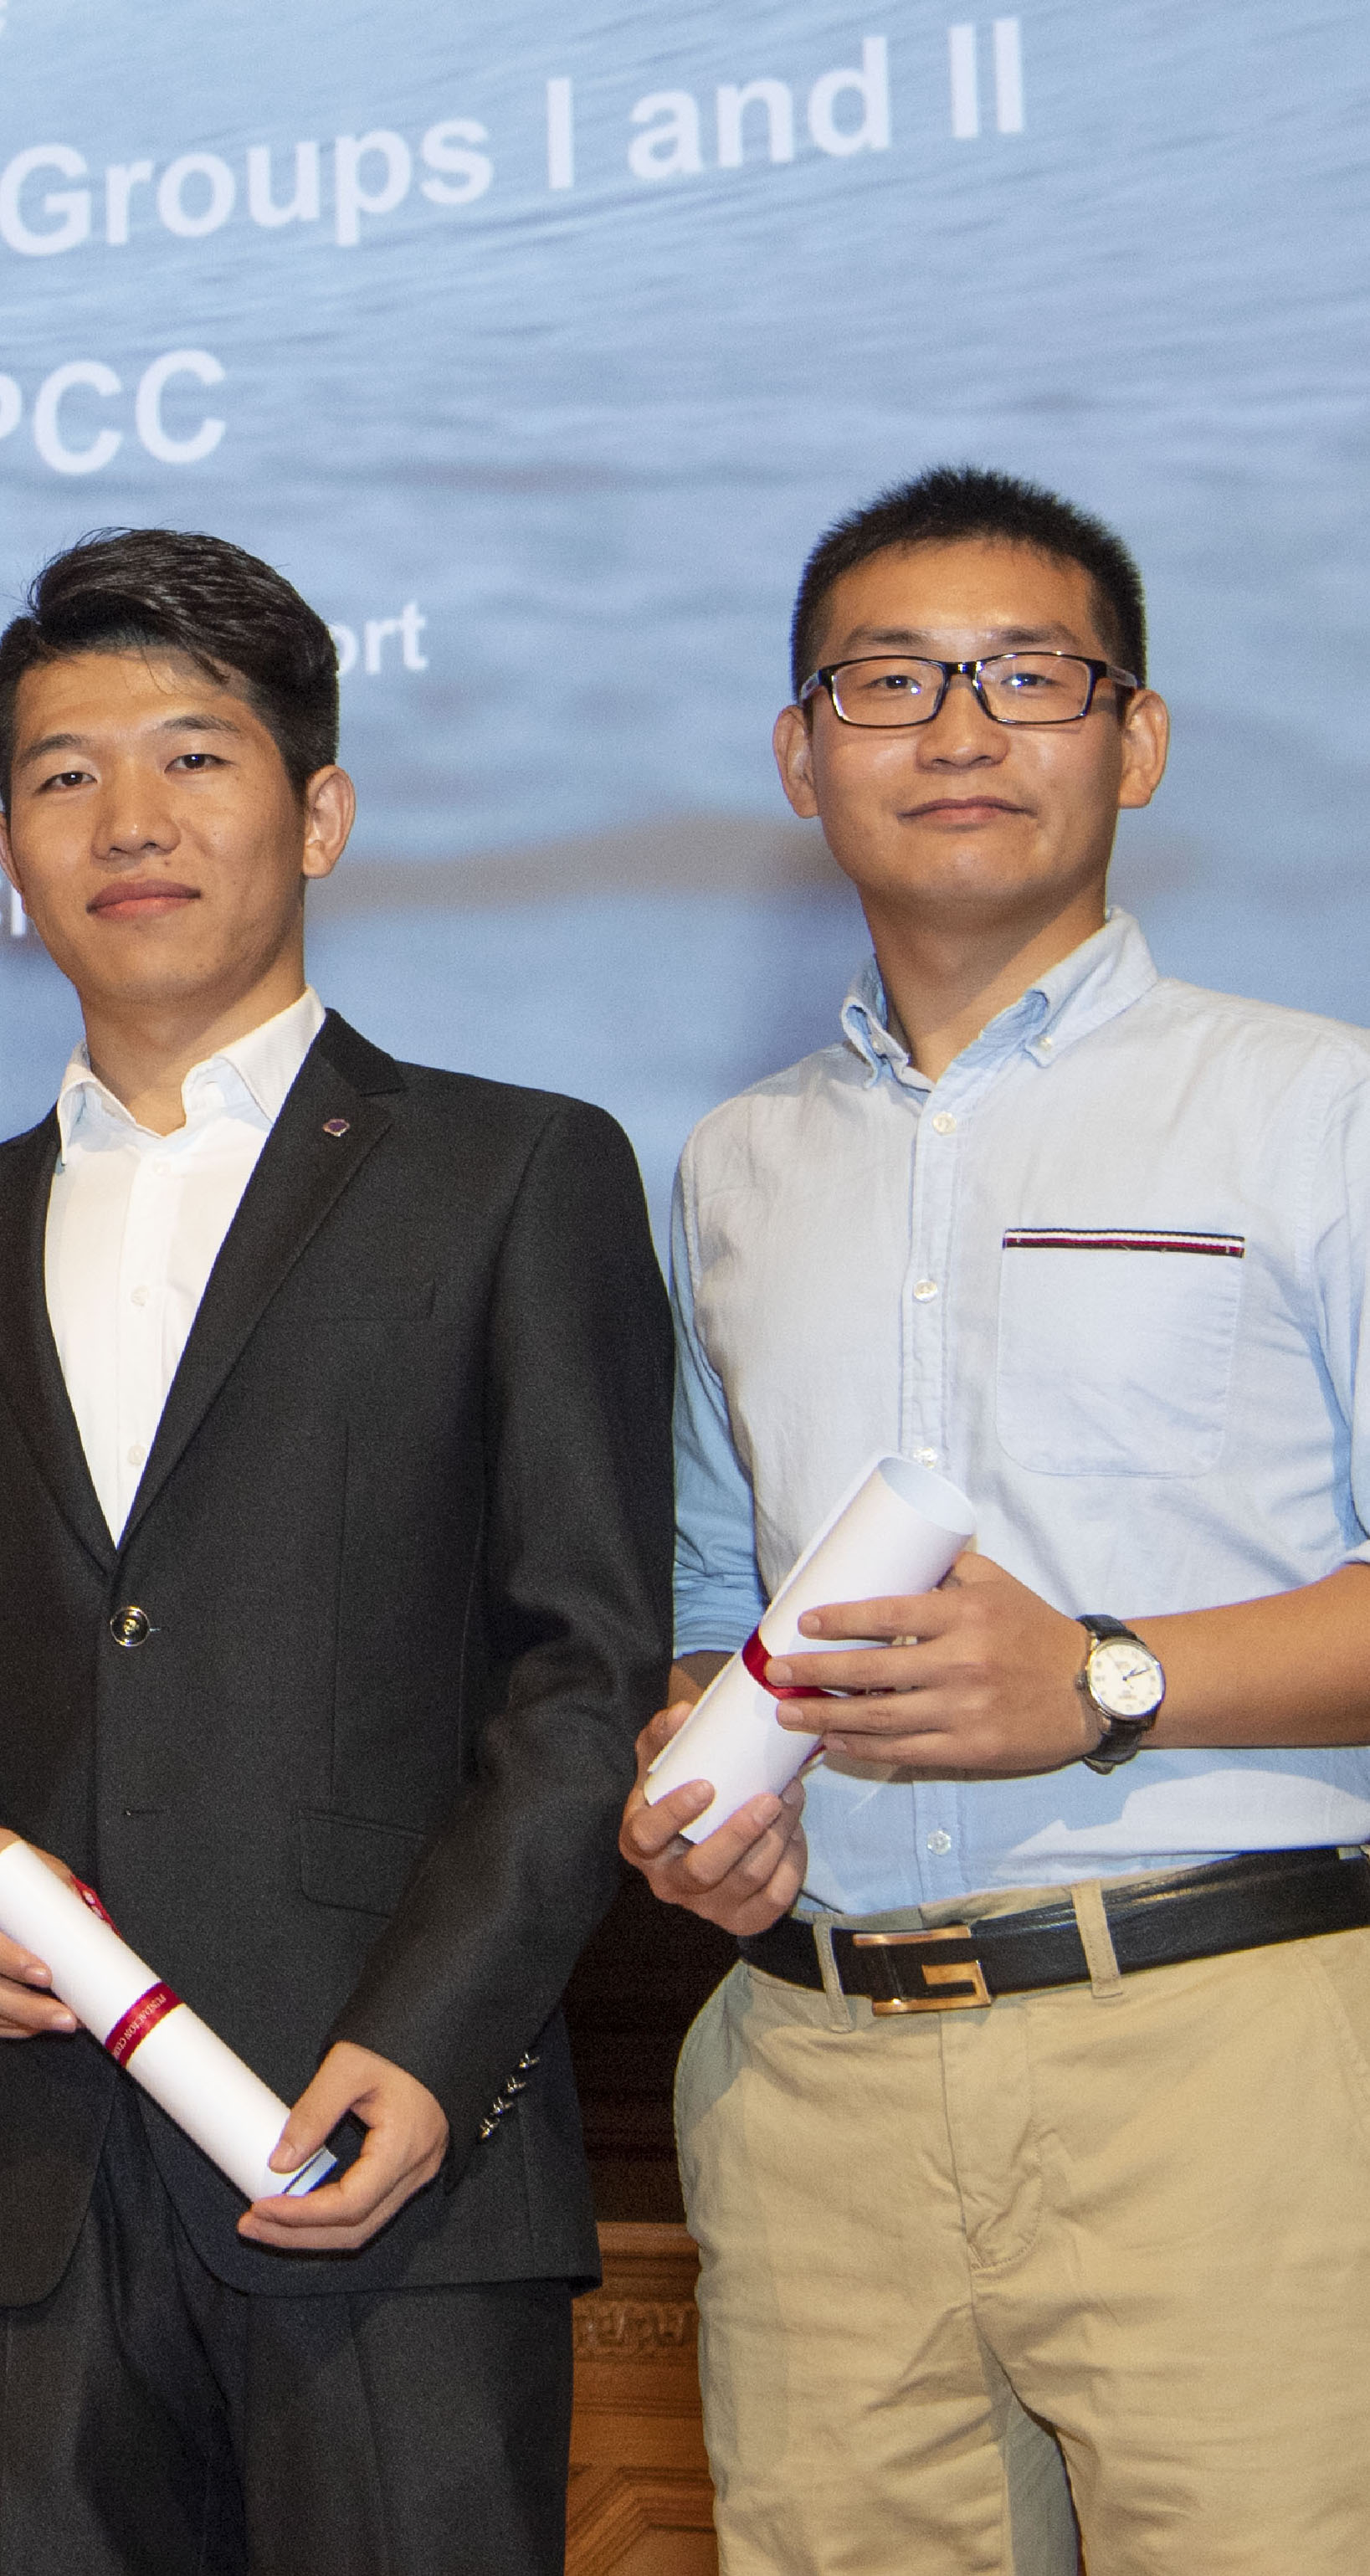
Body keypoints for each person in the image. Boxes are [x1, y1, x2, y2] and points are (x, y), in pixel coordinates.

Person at [0, 527, 675, 2576]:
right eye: (63, 771)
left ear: (320, 809)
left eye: (194, 757)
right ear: (4, 840)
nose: (128, 819)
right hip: (22, 2192)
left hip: (380, 2153)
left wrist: (433, 2044)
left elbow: (577, 1667)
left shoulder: (515, 1170)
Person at [617, 467, 1370, 2573]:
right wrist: (699, 1770)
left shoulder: (1315, 1106)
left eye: (1028, 674)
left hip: (1219, 2059)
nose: (959, 730)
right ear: (797, 754)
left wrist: (1109, 1680)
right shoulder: (733, 1168)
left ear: (1133, 735)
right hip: (815, 2077)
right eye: (888, 682)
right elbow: (710, 1590)